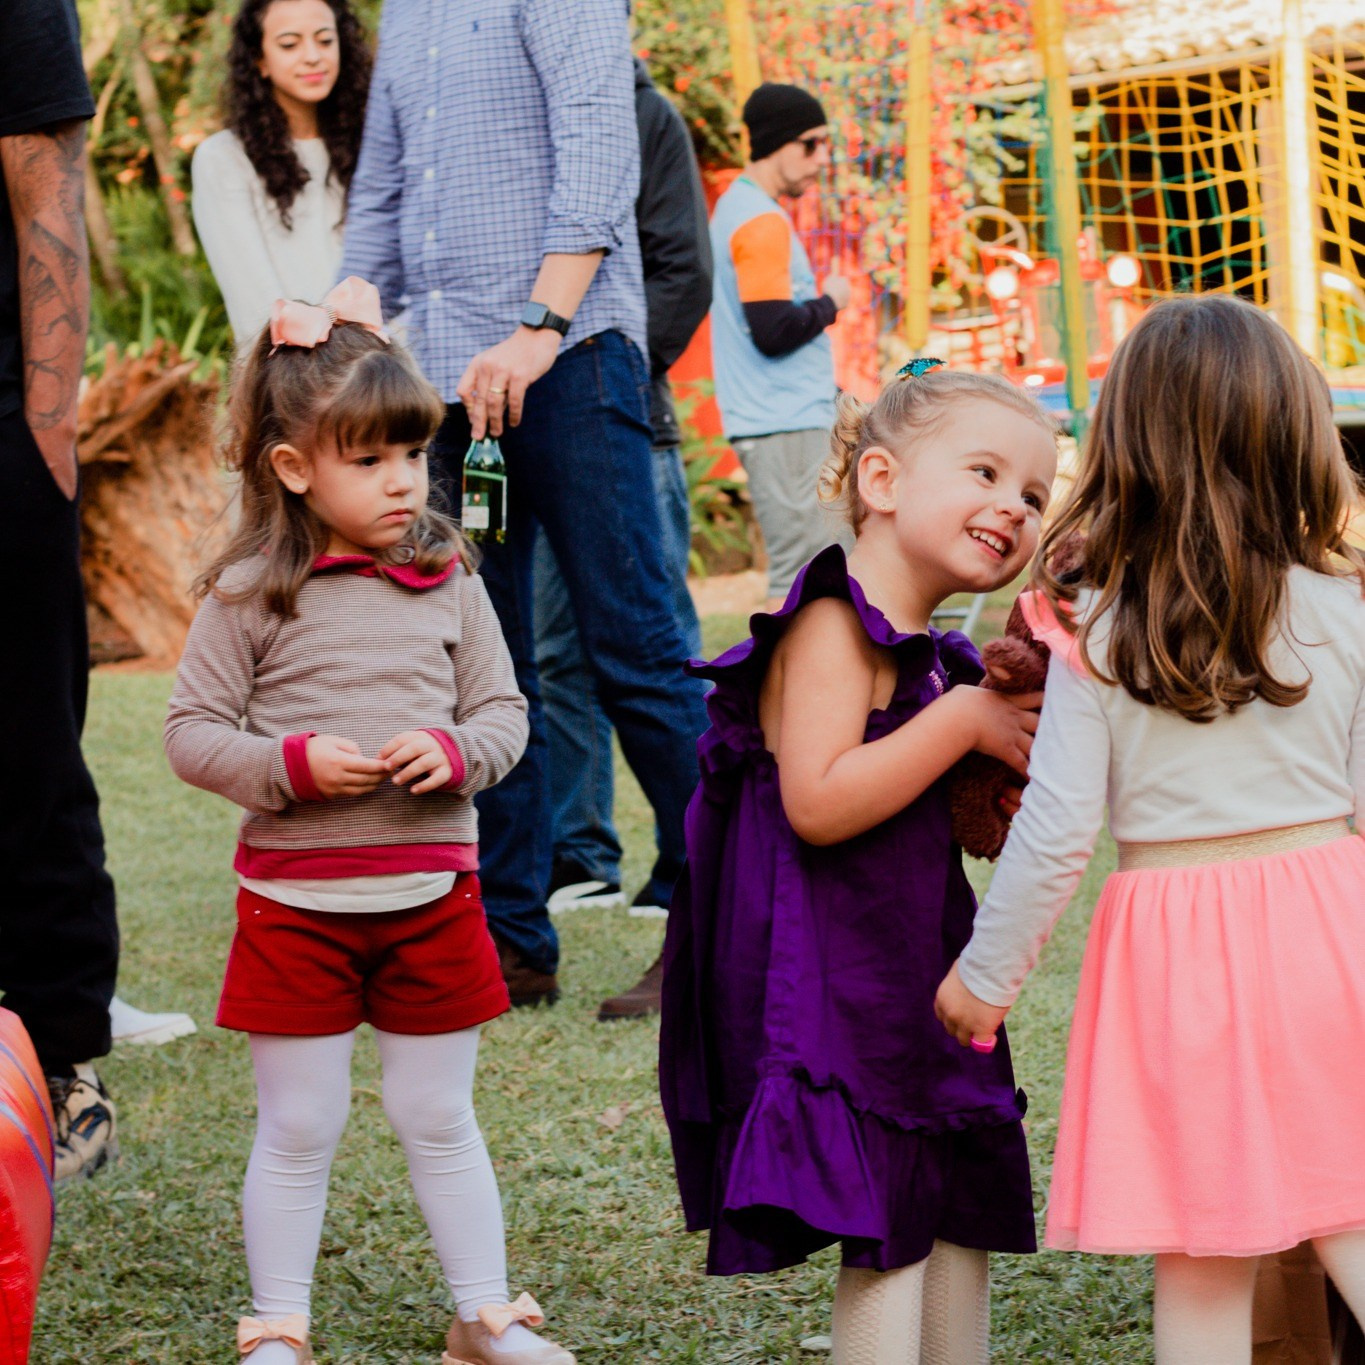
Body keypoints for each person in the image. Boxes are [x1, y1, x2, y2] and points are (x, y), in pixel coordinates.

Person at [935, 296, 1365, 1362]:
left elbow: (1056, 836)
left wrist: (984, 980)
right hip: (1332, 933)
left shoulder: (1098, 630)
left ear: (1127, 446)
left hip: (1178, 965)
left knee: (1202, 1249)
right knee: (1353, 1211)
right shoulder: (1346, 607)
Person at [163, 283, 573, 1365]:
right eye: (370, 459)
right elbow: (191, 734)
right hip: (293, 905)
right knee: (299, 1125)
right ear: (294, 467)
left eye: (414, 453)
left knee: (439, 1116)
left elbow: (504, 716)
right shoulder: (251, 590)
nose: (404, 481)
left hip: (433, 900)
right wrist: (288, 766)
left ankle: (483, 1318)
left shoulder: (449, 576)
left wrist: (455, 752)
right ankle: (279, 1326)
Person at [660, 364, 1058, 1361]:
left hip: (913, 958)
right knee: (889, 1211)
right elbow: (819, 800)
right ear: (880, 481)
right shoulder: (833, 622)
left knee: (954, 1190)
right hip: (832, 978)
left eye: (1033, 493)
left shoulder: (935, 653)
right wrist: (961, 723)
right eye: (984, 472)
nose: (1014, 506)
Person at [341, 0, 709, 1009]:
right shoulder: (404, 15)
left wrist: (538, 327)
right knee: (482, 667)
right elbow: (381, 188)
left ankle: (718, 929)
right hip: (450, 389)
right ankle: (509, 939)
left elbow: (597, 145)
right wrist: (347, 306)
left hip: (573, 360)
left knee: (636, 648)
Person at [533, 54, 712, 1019]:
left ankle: (693, 871)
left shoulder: (643, 113)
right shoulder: (513, 118)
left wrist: (615, 382)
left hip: (624, 423)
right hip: (520, 423)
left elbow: (683, 270)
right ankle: (579, 853)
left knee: (651, 650)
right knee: (550, 653)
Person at [0, 0, 121, 1181]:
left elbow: (46, 185)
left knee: (28, 737)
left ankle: (57, 1053)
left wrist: (47, 425)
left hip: (0, 420)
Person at [710, 81, 853, 610]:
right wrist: (832, 302)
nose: (823, 158)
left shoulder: (741, 208)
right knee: (802, 579)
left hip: (782, 417)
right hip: (783, 422)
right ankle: (777, 669)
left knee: (820, 575)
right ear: (777, 141)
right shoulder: (760, 219)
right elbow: (772, 332)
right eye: (812, 144)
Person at [192, 0, 371, 344]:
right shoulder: (223, 159)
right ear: (259, 60)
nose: (313, 56)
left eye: (325, 40)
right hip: (290, 368)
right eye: (290, 44)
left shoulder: (371, 147)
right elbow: (255, 310)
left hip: (381, 365)